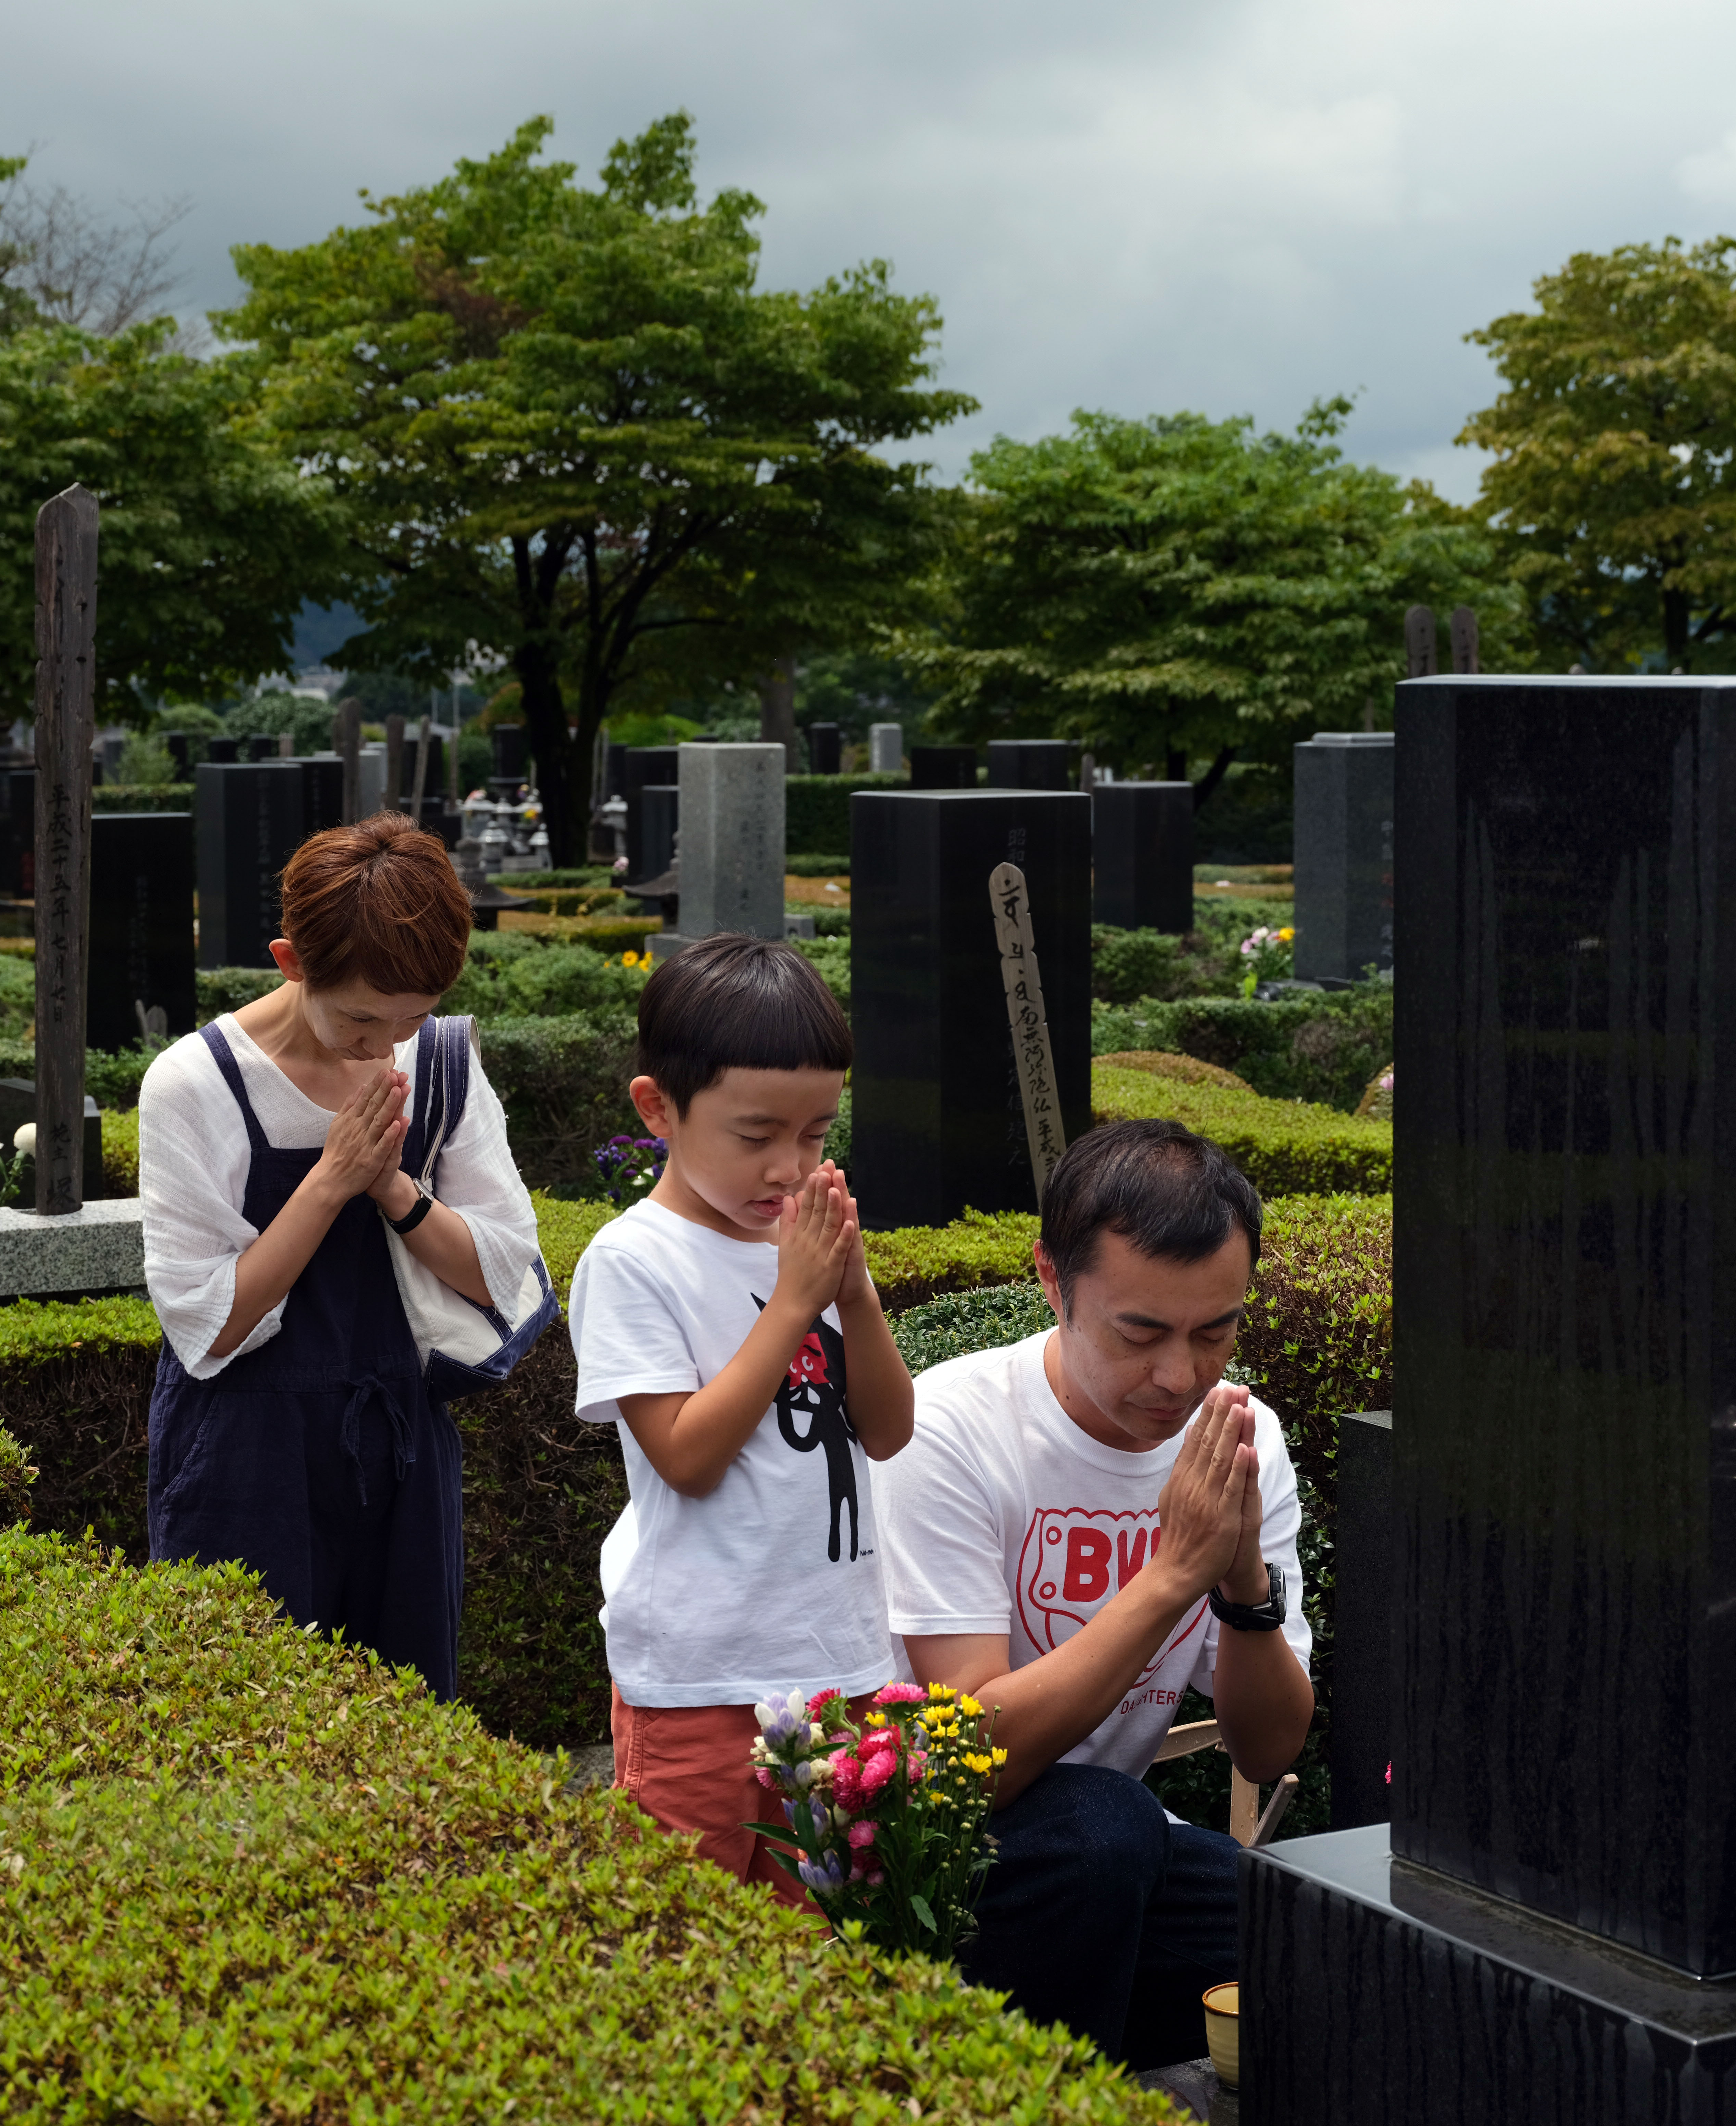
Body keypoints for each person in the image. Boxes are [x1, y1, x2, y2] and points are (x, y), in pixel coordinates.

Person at [876, 1119, 1311, 2069]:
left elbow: (1271, 1747)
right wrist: (1172, 1576)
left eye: (1216, 1332)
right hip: (928, 1858)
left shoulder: (1242, 1440)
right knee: (1101, 1831)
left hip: (1110, 1858)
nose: (1180, 1376)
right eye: (1141, 1333)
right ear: (1051, 1277)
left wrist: (1241, 1581)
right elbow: (966, 1768)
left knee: (1318, 1937)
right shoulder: (949, 1430)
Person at [137, 813, 541, 1696]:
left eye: (413, 1015)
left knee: (410, 1719)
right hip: (244, 1456)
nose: (386, 1044)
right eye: (361, 1016)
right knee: (242, 1719)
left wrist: (395, 1190)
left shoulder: (440, 1063)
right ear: (291, 962)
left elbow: (500, 1269)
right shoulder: (195, 1083)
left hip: (400, 1446)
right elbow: (208, 1325)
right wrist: (331, 1182)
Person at [568, 933, 915, 1900]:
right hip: (700, 1681)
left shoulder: (802, 1246)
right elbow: (686, 1457)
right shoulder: (634, 1260)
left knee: (824, 1927)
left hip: (836, 1661)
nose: (790, 1167)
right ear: (658, 1109)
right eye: (756, 1135)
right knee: (690, 1931)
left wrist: (855, 1295)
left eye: (816, 1134)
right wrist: (799, 1300)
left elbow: (888, 1432)